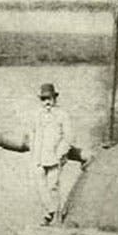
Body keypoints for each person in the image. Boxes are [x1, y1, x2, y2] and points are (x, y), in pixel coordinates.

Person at [29, 83, 73, 226]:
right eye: (43, 99)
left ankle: (54, 215)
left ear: (55, 98)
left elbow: (69, 137)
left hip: (55, 156)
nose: (47, 102)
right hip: (39, 156)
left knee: (53, 186)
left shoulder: (62, 115)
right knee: (40, 186)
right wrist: (34, 154)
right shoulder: (37, 115)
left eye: (49, 98)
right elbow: (33, 134)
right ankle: (50, 211)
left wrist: (61, 153)